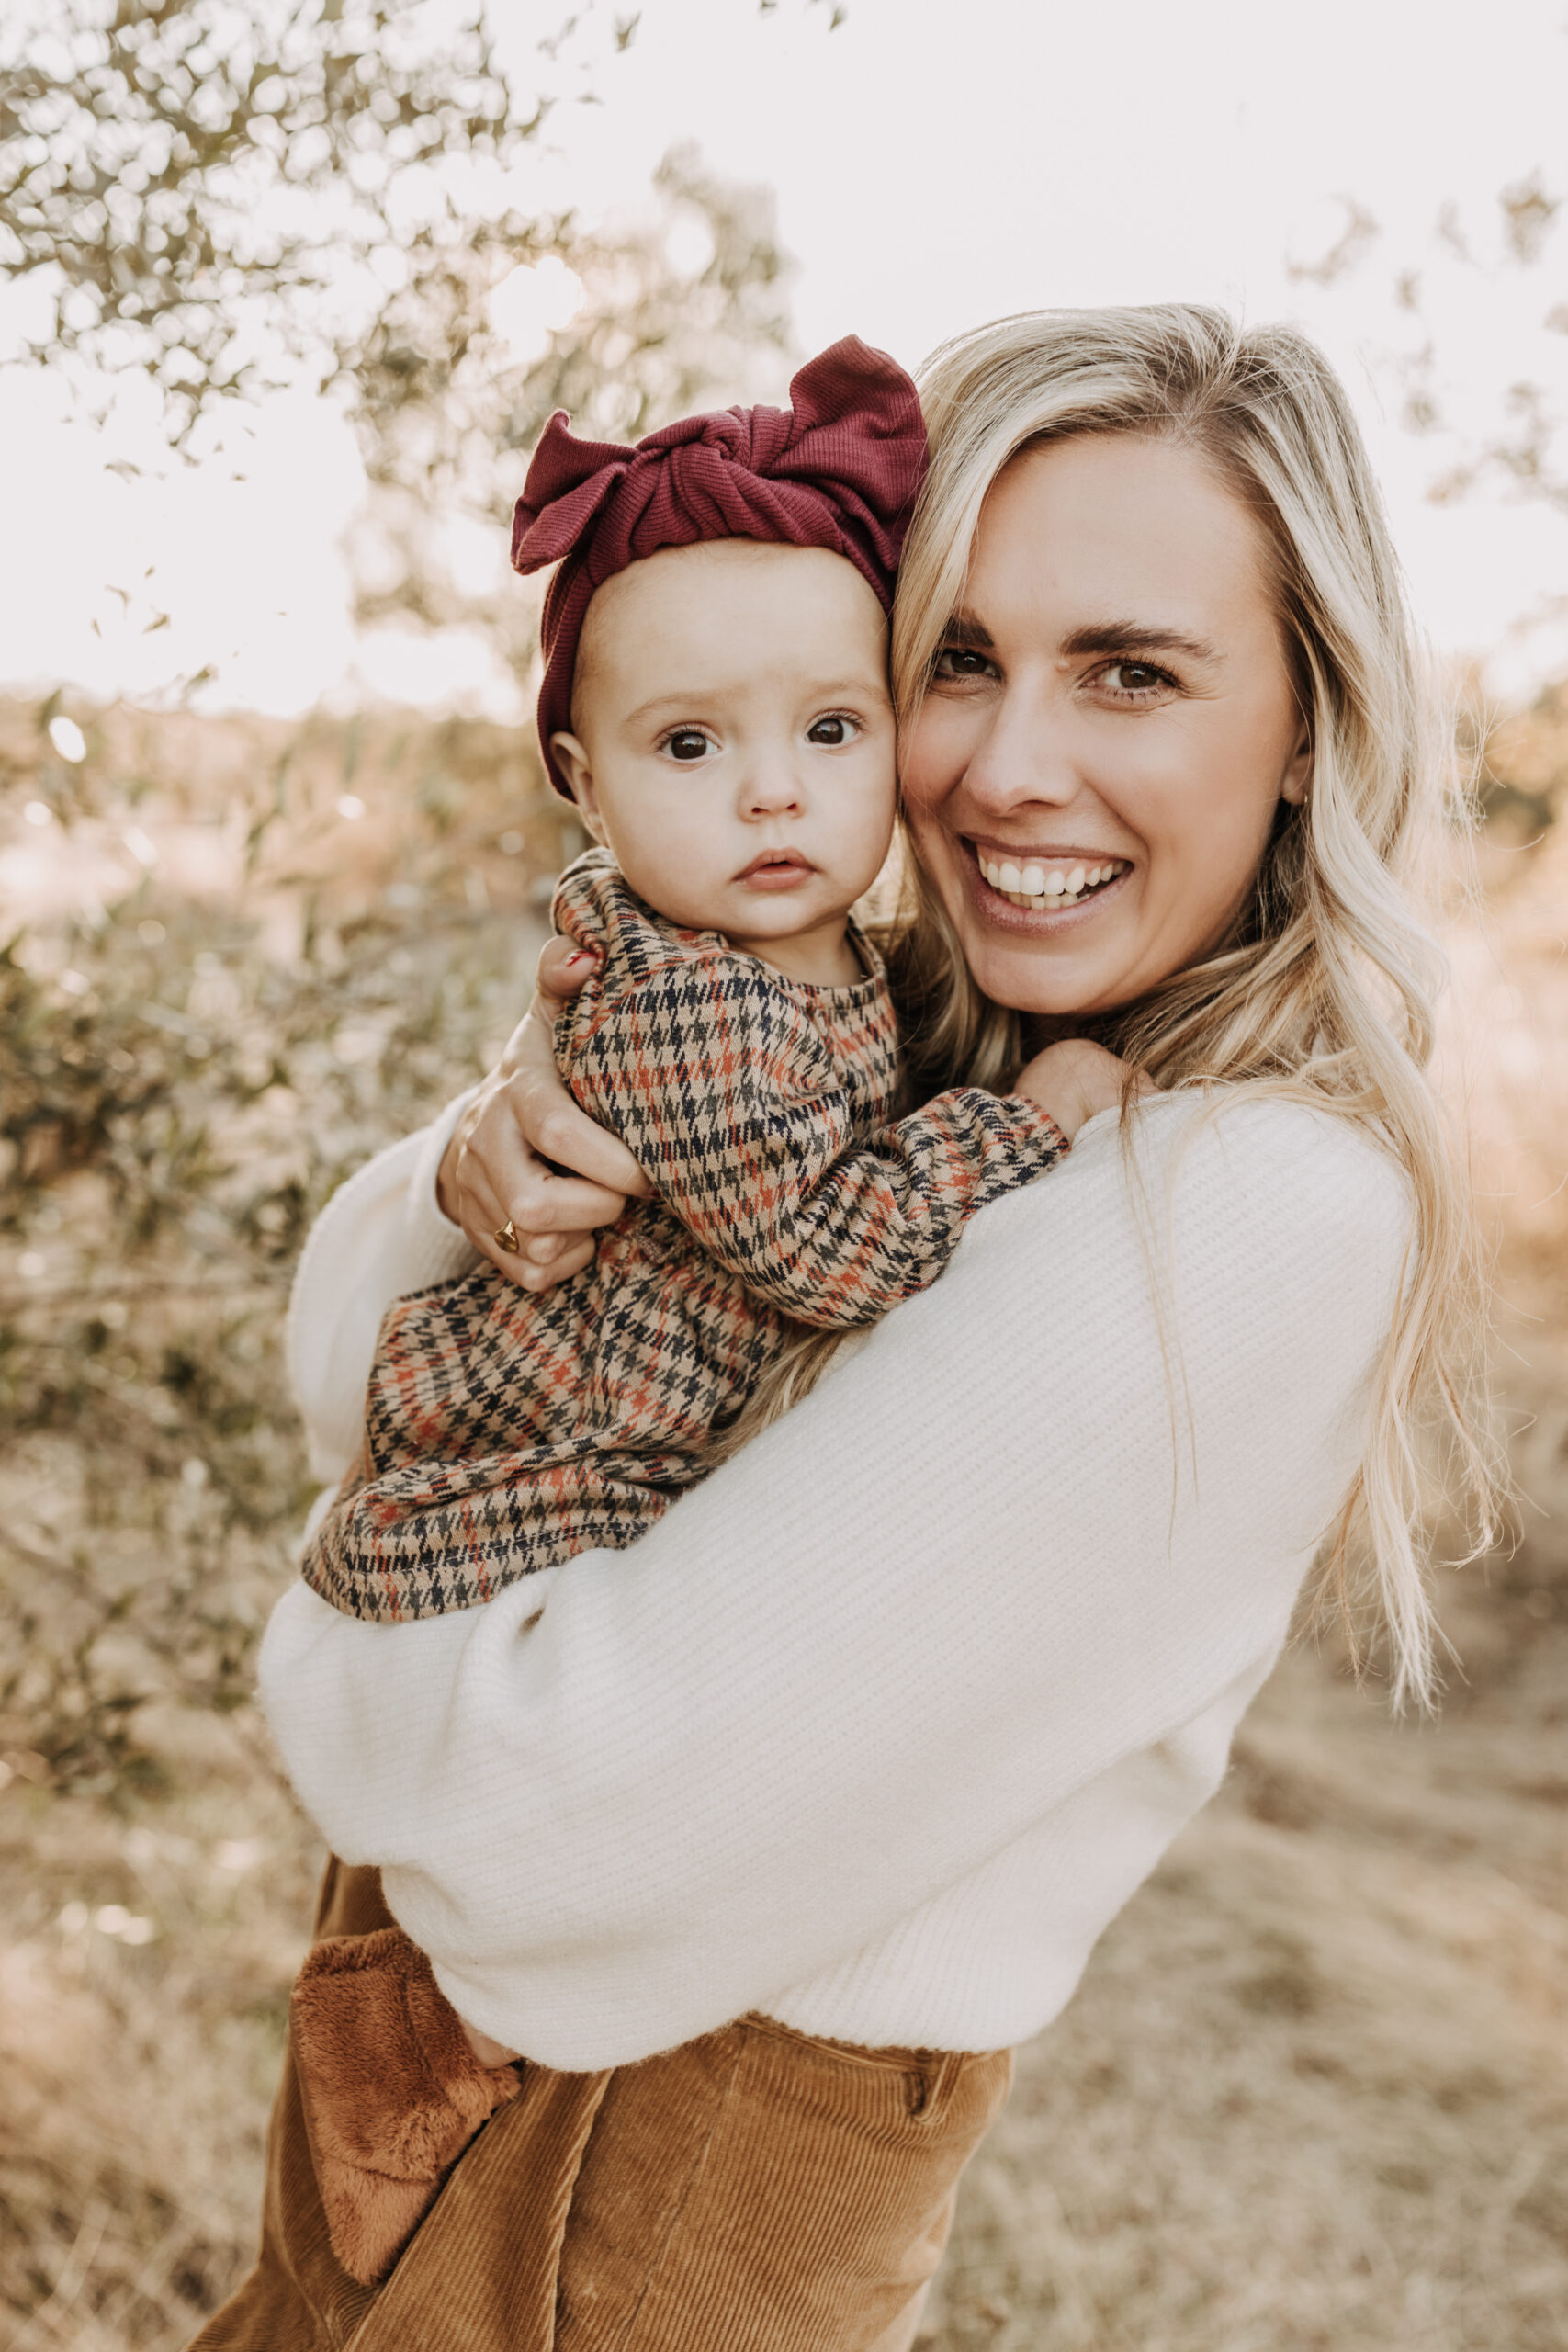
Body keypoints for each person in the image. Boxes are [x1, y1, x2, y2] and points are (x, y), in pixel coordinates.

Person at [197, 305, 1495, 2352]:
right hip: (465, 2090)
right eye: (955, 658)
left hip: (661, 2167)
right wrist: (480, 1149)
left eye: (1130, 674)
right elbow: (344, 1356)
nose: (1002, 762)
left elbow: (531, 1838)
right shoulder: (857, 1000)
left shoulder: (1242, 1201)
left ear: (1312, 725)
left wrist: (324, 1673)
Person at [288, 342, 1123, 2289]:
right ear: (579, 778)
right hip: (551, 1485)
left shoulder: (824, 953)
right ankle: (440, 2012)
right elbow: (831, 1251)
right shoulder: (682, 999)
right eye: (688, 747)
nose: (772, 790)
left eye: (831, 729)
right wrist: (1019, 1116)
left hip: (643, 1500)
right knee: (506, 1855)